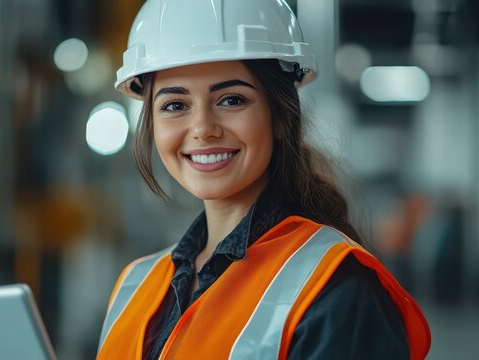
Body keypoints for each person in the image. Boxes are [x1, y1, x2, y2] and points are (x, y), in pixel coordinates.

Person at [96, 0, 431, 359]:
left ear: (281, 117)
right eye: (175, 105)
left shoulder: (335, 287)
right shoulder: (136, 285)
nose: (203, 129)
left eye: (231, 99)